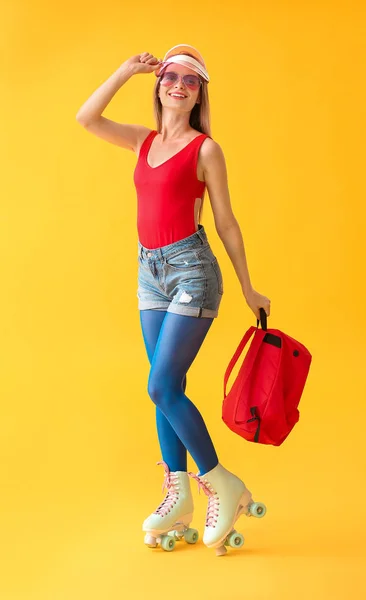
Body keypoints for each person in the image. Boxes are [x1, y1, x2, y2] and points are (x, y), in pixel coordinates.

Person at [76, 44, 271, 555]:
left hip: (192, 271)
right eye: (170, 76)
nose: (178, 85)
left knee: (160, 385)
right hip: (149, 273)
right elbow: (87, 117)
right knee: (169, 385)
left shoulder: (205, 149)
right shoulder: (142, 141)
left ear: (200, 92)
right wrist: (125, 70)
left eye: (190, 79)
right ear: (159, 85)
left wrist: (248, 286)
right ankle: (178, 491)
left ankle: (220, 481)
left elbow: (225, 220)